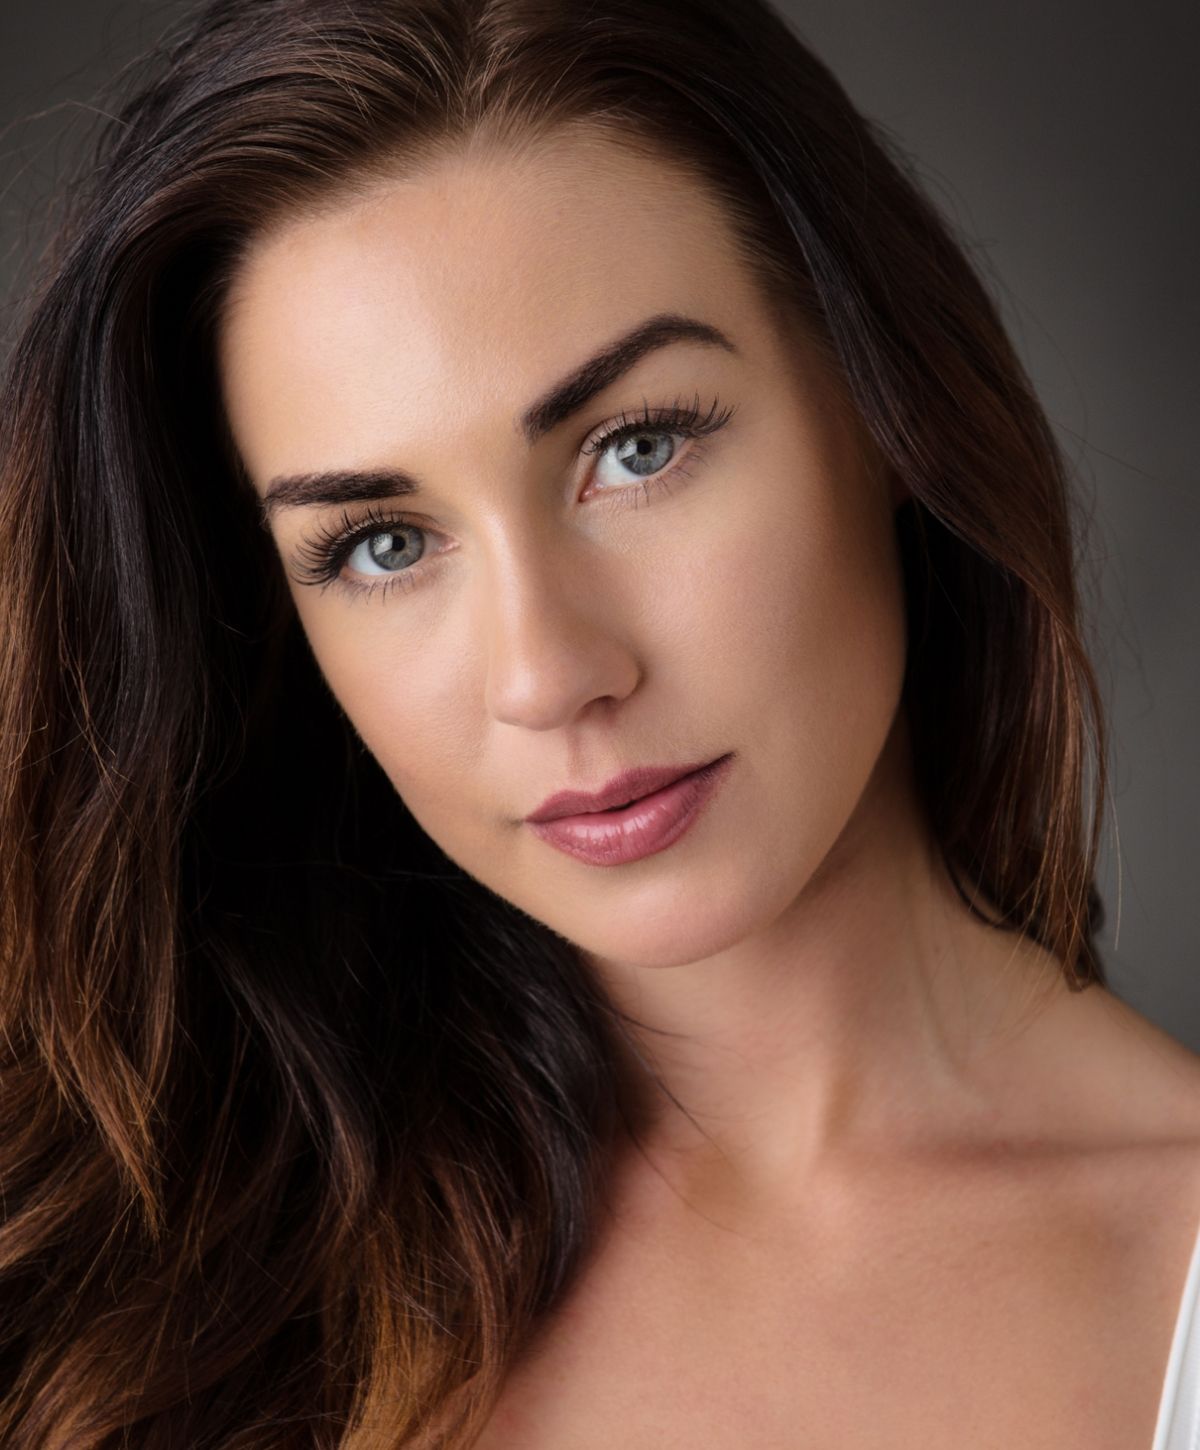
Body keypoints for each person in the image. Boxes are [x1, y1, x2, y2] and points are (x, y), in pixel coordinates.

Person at [1, 0, 1197, 1445]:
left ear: (883, 401)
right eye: (383, 543)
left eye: (636, 449)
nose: (546, 673)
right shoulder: (112, 1283)